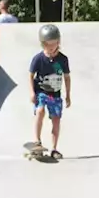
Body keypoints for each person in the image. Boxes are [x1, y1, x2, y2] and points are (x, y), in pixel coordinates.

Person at [28, 24, 71, 156]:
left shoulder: (63, 59)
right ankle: (37, 141)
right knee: (40, 111)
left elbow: (67, 77)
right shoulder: (38, 58)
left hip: (55, 94)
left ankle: (54, 148)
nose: (52, 47)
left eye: (54, 43)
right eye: (49, 44)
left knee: (56, 119)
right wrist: (32, 92)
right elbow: (30, 75)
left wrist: (68, 95)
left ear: (59, 42)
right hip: (41, 91)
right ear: (43, 44)